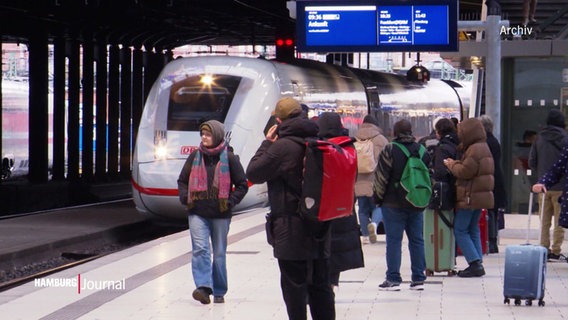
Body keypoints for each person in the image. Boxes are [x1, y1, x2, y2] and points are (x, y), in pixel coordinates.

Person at [246, 97, 335, 320]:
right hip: (320, 226)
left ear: (278, 120)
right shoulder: (318, 140)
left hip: (291, 228)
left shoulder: (283, 147)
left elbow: (253, 173)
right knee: (321, 285)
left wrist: (267, 143)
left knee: (294, 287)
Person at [177, 120, 249, 305]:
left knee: (218, 253)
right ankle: (203, 287)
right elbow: (182, 180)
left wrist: (231, 202)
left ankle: (219, 290)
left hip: (221, 213)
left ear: (217, 135)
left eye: (207, 134)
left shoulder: (230, 158)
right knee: (200, 249)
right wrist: (186, 197)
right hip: (197, 211)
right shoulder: (195, 156)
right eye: (202, 134)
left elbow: (242, 184)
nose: (204, 137)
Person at [373, 119, 429, 291]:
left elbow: (381, 178)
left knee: (394, 241)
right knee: (417, 240)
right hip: (416, 202)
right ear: (411, 131)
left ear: (394, 132)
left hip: (393, 203)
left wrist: (378, 199)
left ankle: (393, 279)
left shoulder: (390, 149)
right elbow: (429, 177)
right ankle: (419, 278)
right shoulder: (422, 150)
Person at [317, 112, 365, 294]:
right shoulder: (348, 146)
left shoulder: (318, 147)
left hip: (322, 207)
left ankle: (322, 285)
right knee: (337, 248)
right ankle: (331, 283)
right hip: (344, 205)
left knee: (322, 248)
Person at [443, 118, 494, 278]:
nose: (459, 135)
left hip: (470, 196)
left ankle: (474, 263)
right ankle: (477, 261)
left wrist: (451, 165)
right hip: (480, 196)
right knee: (473, 229)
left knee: (460, 229)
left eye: (461, 132)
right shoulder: (483, 147)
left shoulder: (474, 149)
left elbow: (465, 171)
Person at [529, 109, 568, 260]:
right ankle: (556, 250)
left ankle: (543, 248)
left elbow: (532, 160)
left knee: (544, 220)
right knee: (560, 220)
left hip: (544, 186)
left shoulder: (539, 138)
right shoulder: (566, 138)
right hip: (562, 187)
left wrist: (541, 174)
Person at [354, 115, 388, 244]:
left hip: (359, 179)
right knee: (378, 205)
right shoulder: (381, 139)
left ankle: (366, 237)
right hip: (376, 179)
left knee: (362, 209)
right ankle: (374, 223)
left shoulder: (355, 138)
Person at [479, 114, 507, 253]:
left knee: (488, 211)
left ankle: (489, 240)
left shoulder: (484, 143)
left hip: (488, 179)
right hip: (497, 178)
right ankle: (493, 241)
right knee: (493, 211)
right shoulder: (494, 141)